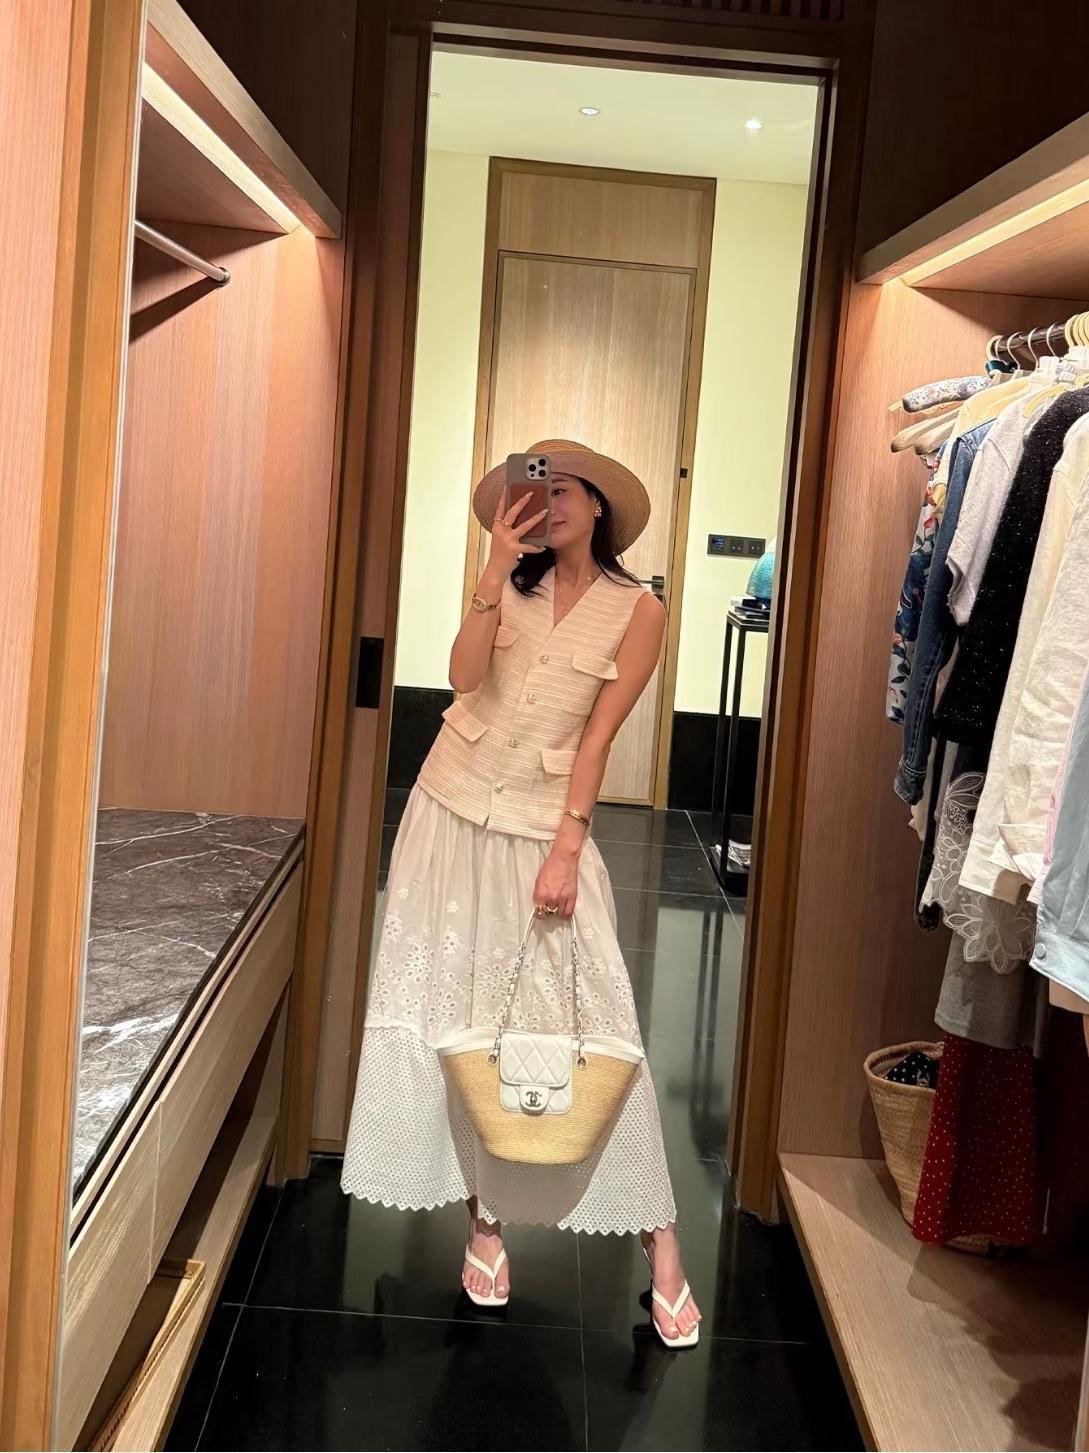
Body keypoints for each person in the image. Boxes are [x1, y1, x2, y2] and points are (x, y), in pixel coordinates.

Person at [341, 439, 701, 1346]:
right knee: (458, 1012)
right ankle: (485, 1225)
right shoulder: (510, 581)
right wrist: (492, 570)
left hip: (543, 826)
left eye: (568, 490)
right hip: (448, 808)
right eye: (540, 490)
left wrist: (568, 845)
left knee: (592, 1017)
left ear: (599, 506)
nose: (553, 504)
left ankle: (661, 1243)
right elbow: (463, 678)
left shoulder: (638, 608)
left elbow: (599, 734)